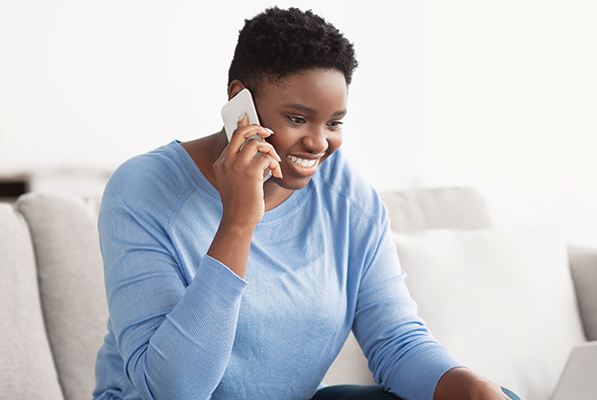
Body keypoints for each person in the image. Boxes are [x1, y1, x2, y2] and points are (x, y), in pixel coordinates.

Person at [91, 7, 519, 400]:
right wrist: (239, 221)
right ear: (241, 101)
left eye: (334, 123)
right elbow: (174, 391)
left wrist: (469, 386)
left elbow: (395, 341)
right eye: (297, 118)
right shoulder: (143, 189)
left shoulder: (345, 196)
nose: (318, 143)